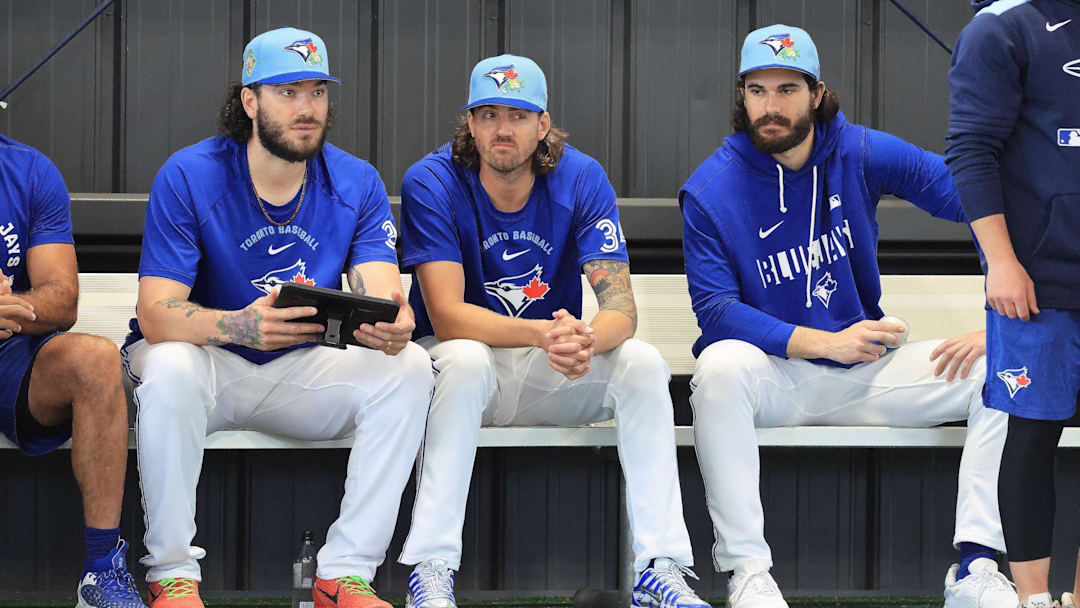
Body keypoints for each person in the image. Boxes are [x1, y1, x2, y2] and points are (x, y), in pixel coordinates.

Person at [680, 25, 1016, 608]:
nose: (771, 105)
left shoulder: (857, 150)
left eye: (787, 88)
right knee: (718, 368)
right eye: (756, 90)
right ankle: (748, 574)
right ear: (742, 97)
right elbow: (715, 311)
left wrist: (1002, 315)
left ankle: (977, 564)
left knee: (1004, 374)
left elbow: (971, 196)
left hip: (867, 370)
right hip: (776, 377)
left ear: (816, 93)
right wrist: (820, 342)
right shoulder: (710, 187)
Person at [122, 27, 432, 608]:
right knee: (168, 366)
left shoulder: (356, 180)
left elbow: (384, 292)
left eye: (316, 91)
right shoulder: (191, 174)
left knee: (411, 367)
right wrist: (240, 325)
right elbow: (156, 314)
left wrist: (393, 324)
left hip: (299, 370)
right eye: (287, 91)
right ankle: (172, 576)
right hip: (208, 369)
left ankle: (343, 576)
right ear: (249, 101)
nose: (307, 108)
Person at [396, 54, 709, 608]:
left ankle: (659, 568)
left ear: (542, 125)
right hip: (459, 374)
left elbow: (620, 308)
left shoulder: (580, 177)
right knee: (465, 358)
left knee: (642, 364)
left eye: (516, 115)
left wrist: (585, 340)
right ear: (469, 123)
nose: (501, 129)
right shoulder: (433, 180)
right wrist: (546, 334)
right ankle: (432, 568)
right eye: (487, 114)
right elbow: (446, 316)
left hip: (548, 366)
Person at [946, 1, 1080, 607]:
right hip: (1036, 277)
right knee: (1031, 436)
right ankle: (1032, 600)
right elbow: (971, 149)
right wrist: (1000, 260)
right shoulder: (1001, 25)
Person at [0, 136, 146, 607]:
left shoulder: (28, 171)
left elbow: (63, 300)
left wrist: (14, 305)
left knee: (96, 359)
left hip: (10, 351)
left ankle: (102, 573)